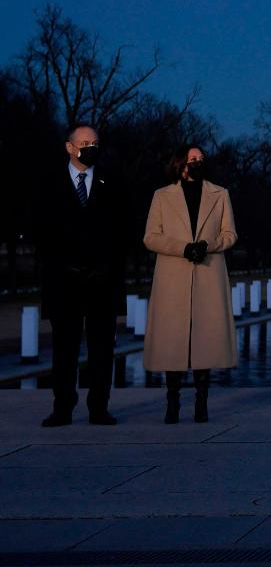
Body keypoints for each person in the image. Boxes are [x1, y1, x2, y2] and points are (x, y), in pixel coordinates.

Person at [36, 123, 129, 427]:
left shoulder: (112, 182)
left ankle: (98, 407)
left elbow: (121, 231)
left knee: (102, 350)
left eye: (95, 142)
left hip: (101, 281)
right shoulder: (49, 183)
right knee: (65, 349)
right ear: (69, 147)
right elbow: (43, 232)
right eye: (85, 142)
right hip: (65, 281)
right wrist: (66, 266)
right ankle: (62, 407)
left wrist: (105, 267)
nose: (91, 147)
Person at [142, 144, 238, 424]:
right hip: (173, 274)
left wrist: (209, 245)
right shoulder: (162, 196)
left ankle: (201, 403)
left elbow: (230, 233)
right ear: (181, 163)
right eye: (193, 159)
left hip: (208, 272)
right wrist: (183, 248)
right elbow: (150, 237)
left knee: (204, 340)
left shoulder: (220, 194)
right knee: (173, 340)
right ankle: (172, 402)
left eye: (201, 159)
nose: (198, 162)